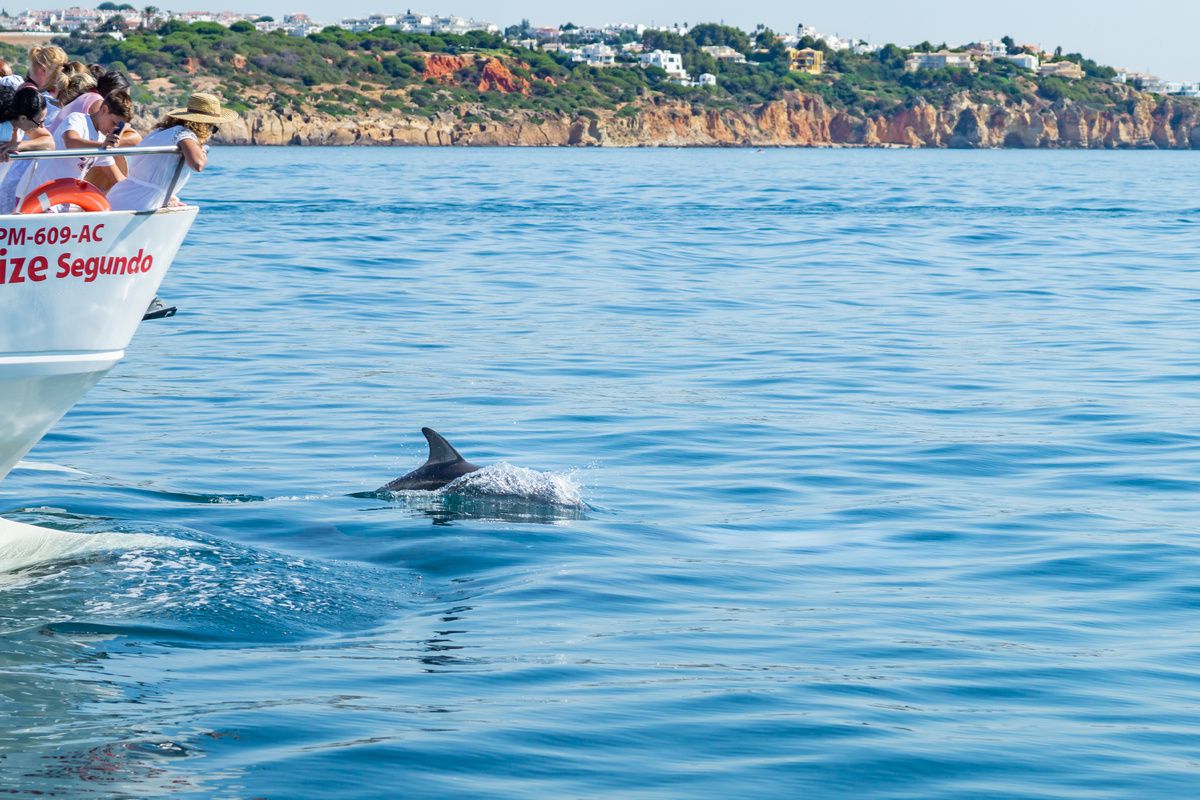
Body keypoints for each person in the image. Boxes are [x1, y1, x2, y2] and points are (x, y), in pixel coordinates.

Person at [106, 93, 236, 212]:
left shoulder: (162, 132)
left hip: (122, 196)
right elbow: (198, 164)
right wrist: (202, 151)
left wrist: (167, 196)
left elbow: (155, 173)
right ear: (204, 125)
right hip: (140, 203)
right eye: (213, 128)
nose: (211, 133)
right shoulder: (183, 133)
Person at [25, 89, 130, 192]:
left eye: (119, 127)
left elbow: (117, 178)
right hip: (38, 190)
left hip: (60, 197)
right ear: (104, 110)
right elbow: (71, 142)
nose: (114, 129)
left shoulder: (102, 141)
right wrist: (102, 145)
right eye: (113, 123)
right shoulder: (77, 119)